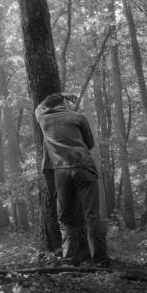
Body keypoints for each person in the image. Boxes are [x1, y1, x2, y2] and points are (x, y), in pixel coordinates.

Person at [35, 93, 110, 267]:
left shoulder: (43, 118)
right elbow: (89, 143)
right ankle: (100, 260)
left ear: (47, 106)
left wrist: (60, 94)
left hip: (61, 172)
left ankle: (70, 261)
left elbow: (39, 107)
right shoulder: (78, 117)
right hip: (84, 166)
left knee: (66, 218)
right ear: (64, 104)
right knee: (92, 215)